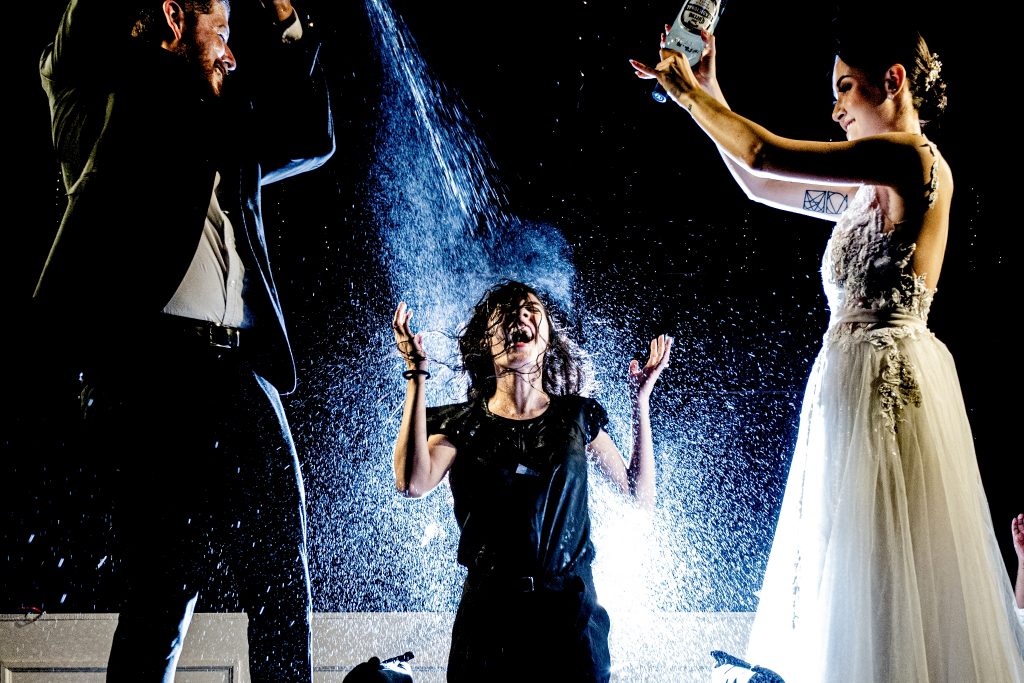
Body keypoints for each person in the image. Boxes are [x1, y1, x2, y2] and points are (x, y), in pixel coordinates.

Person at [630, 11, 1024, 683]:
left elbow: (763, 151)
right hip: (849, 384)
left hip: (885, 386)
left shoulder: (910, 159)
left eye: (846, 87)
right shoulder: (866, 187)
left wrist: (690, 96)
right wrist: (711, 91)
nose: (836, 107)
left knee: (882, 569)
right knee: (852, 573)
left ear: (892, 81)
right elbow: (758, 179)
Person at [32, 0, 335, 679]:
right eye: (219, 26)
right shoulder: (105, 113)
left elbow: (314, 138)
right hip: (154, 379)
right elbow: (67, 56)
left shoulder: (230, 129)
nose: (232, 45)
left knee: (283, 584)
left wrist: (290, 22)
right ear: (173, 15)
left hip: (243, 375)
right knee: (163, 591)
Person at [390, 279, 671, 682]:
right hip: (489, 620)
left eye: (530, 310)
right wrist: (416, 373)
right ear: (486, 343)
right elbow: (412, 481)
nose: (519, 316)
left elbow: (638, 499)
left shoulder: (576, 417)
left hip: (571, 618)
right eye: (505, 314)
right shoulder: (462, 423)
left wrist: (640, 402)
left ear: (546, 341)